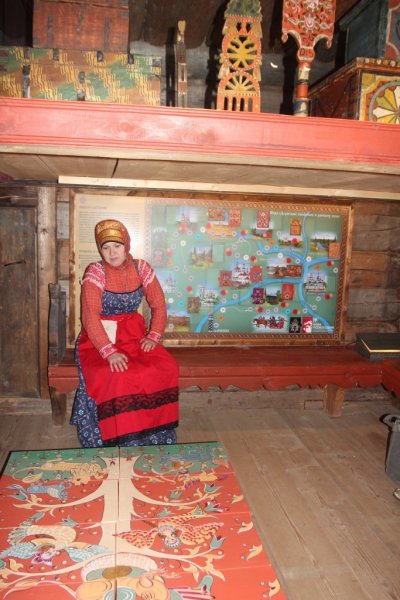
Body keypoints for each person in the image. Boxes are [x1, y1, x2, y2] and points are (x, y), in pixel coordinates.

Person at [70, 219, 179, 447]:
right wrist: (108, 352)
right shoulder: (96, 272)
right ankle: (116, 435)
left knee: (165, 366)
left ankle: (151, 432)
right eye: (106, 247)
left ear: (126, 245)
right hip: (99, 338)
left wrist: (154, 335)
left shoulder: (142, 268)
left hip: (134, 334)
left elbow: (159, 304)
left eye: (117, 246)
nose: (112, 253)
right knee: (117, 375)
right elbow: (90, 316)